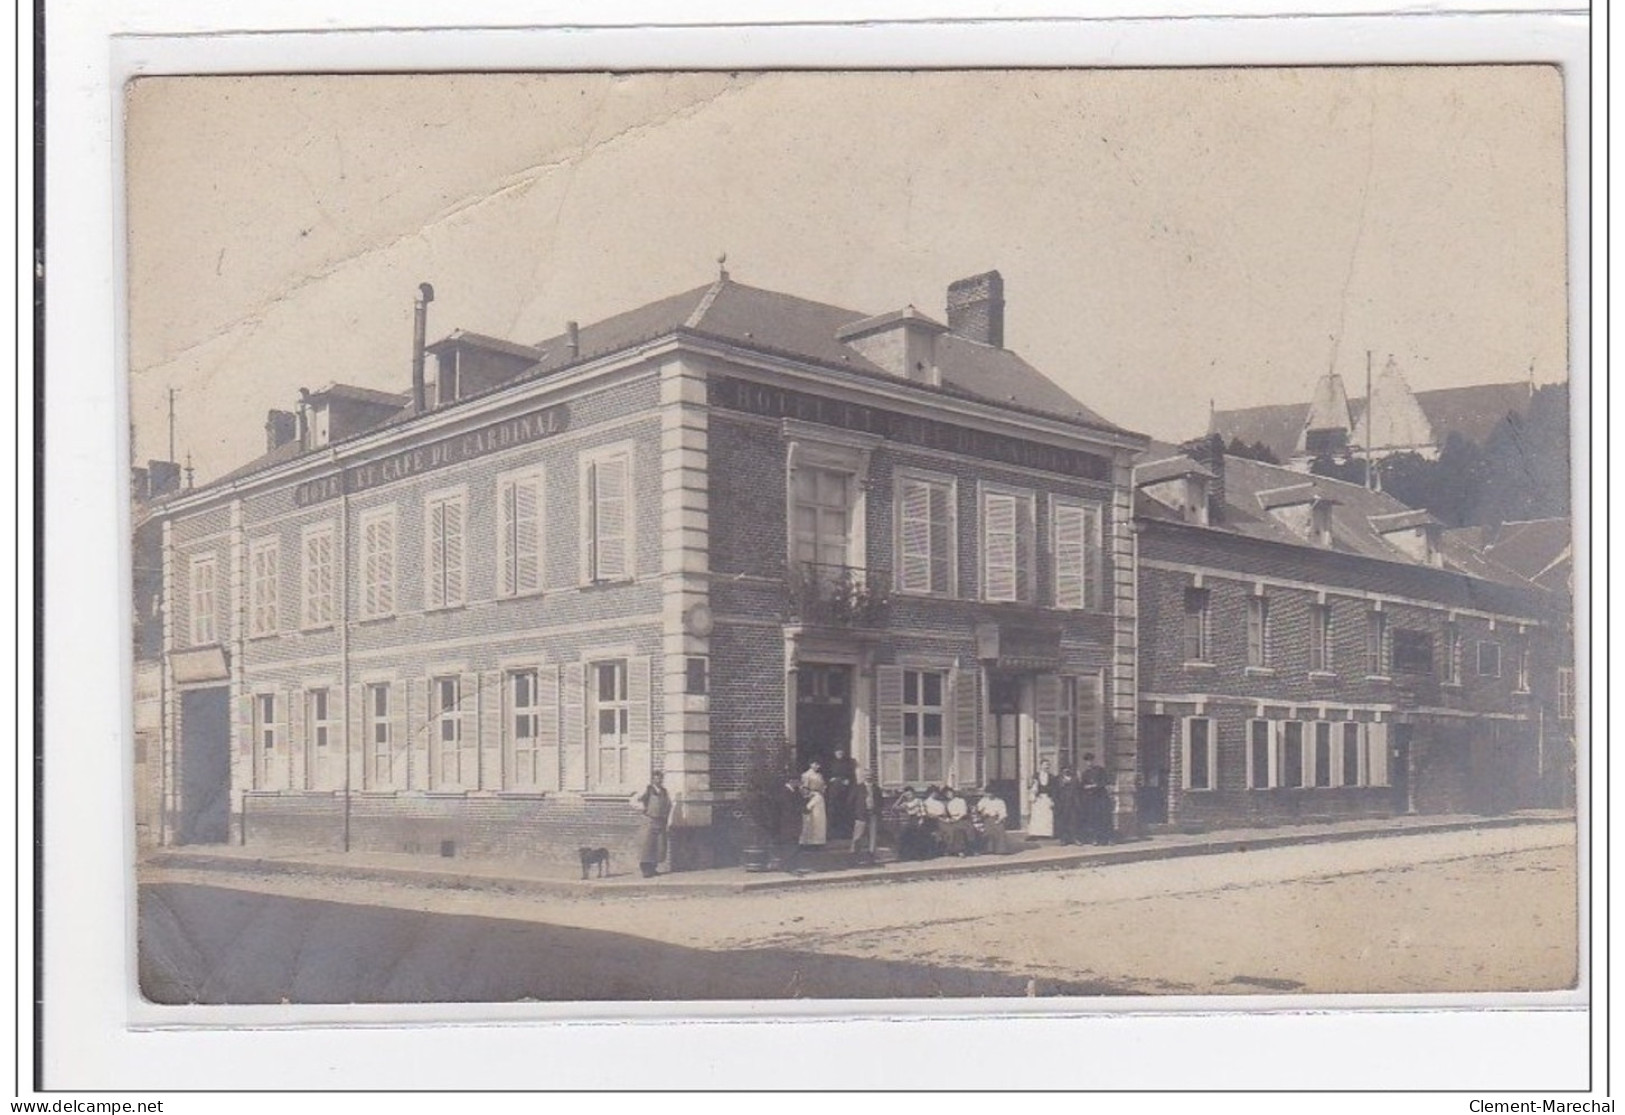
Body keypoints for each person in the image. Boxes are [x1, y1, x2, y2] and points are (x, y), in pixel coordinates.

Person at [631, 770, 673, 877]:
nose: (658, 780)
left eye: (660, 778)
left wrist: (666, 818)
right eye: (656, 778)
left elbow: (669, 804)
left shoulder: (664, 791)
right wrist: (644, 810)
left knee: (659, 846)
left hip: (661, 821)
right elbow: (635, 800)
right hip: (650, 821)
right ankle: (645, 870)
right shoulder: (648, 790)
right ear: (653, 779)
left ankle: (653, 868)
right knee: (647, 846)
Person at [849, 765, 882, 864]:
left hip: (873, 813)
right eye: (866, 775)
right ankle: (854, 855)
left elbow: (880, 801)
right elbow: (850, 801)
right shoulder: (858, 787)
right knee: (858, 835)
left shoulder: (876, 788)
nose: (868, 777)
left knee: (872, 835)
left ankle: (871, 856)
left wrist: (877, 811)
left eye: (870, 775)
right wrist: (855, 813)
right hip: (861, 814)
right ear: (863, 776)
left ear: (873, 776)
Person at [775, 776, 807, 873]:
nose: (799, 784)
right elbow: (789, 808)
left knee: (794, 843)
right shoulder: (784, 792)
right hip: (787, 822)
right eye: (798, 782)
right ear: (792, 781)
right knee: (789, 844)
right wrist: (801, 809)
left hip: (795, 822)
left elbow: (801, 804)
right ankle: (787, 866)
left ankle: (793, 865)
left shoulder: (795, 792)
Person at [1081, 753, 1114, 845]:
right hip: (1092, 799)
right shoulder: (1085, 773)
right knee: (1094, 819)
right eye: (1087, 761)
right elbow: (1083, 786)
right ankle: (1096, 839)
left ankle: (1109, 839)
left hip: (1102, 798)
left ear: (1093, 761)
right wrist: (1088, 787)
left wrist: (1095, 785)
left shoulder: (1100, 770)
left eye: (1090, 760)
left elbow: (1105, 782)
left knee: (1105, 818)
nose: (1089, 763)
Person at [826, 747, 857, 842]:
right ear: (835, 753)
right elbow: (826, 776)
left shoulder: (848, 764)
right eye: (837, 752)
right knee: (832, 811)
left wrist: (848, 780)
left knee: (844, 810)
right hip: (833, 791)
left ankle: (845, 833)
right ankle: (831, 833)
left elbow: (852, 777)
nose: (839, 753)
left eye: (841, 752)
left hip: (844, 791)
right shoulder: (830, 763)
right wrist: (830, 779)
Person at [975, 788, 1016, 854]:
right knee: (987, 832)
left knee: (999, 830)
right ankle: (988, 849)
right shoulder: (983, 801)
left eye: (991, 793)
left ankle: (1000, 850)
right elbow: (979, 810)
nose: (989, 795)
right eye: (988, 793)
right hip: (986, 819)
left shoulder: (1000, 801)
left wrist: (999, 820)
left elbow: (1003, 813)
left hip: (997, 818)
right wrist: (982, 813)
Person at [938, 786, 975, 856]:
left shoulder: (960, 801)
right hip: (953, 820)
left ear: (953, 792)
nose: (949, 795)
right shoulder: (948, 804)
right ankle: (951, 850)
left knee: (958, 830)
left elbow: (963, 812)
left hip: (963, 820)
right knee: (949, 830)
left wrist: (956, 819)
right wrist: (948, 819)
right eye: (946, 794)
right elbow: (948, 815)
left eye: (949, 793)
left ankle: (961, 850)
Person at [799, 760, 828, 849]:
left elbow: (823, 786)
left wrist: (823, 789)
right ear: (810, 764)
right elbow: (804, 788)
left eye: (818, 764)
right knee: (810, 819)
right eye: (815, 764)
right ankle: (807, 841)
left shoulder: (819, 775)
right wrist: (807, 795)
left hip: (819, 798)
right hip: (811, 798)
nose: (817, 766)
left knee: (819, 819)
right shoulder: (806, 775)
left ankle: (818, 841)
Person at [1054, 766, 1083, 846]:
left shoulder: (1075, 779)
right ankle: (1063, 839)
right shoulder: (1058, 779)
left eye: (1068, 769)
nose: (1067, 771)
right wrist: (1056, 802)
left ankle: (1075, 838)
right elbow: (1055, 792)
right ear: (1062, 771)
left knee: (1074, 821)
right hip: (1062, 804)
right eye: (1065, 770)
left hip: (1073, 803)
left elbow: (1079, 790)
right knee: (1063, 821)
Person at [1028, 760, 1056, 839]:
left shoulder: (1051, 776)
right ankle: (1035, 833)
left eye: (1048, 765)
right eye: (1044, 765)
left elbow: (1053, 789)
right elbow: (1033, 786)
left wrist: (1052, 799)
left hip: (1047, 797)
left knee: (1047, 815)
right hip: (1038, 798)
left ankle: (1047, 834)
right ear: (1040, 766)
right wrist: (1033, 795)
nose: (1046, 766)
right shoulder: (1036, 776)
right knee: (1037, 815)